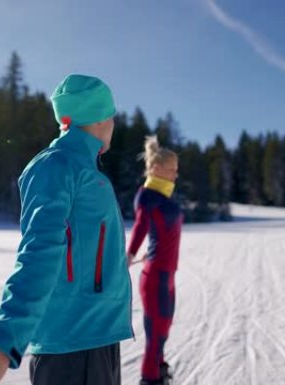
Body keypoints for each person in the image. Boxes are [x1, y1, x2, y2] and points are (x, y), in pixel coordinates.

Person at [0, 74, 133, 385]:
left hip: (98, 337)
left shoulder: (86, 170)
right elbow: (39, 250)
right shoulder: (55, 167)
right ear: (98, 119)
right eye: (111, 116)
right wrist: (2, 338)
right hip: (73, 345)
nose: (113, 124)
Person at [127, 136, 182, 385]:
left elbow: (161, 231)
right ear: (156, 168)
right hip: (155, 276)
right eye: (172, 169)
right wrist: (130, 254)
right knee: (155, 336)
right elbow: (140, 226)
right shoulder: (147, 195)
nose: (175, 174)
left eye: (176, 170)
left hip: (167, 275)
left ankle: (159, 373)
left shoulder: (165, 196)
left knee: (164, 331)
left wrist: (152, 246)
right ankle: (149, 380)